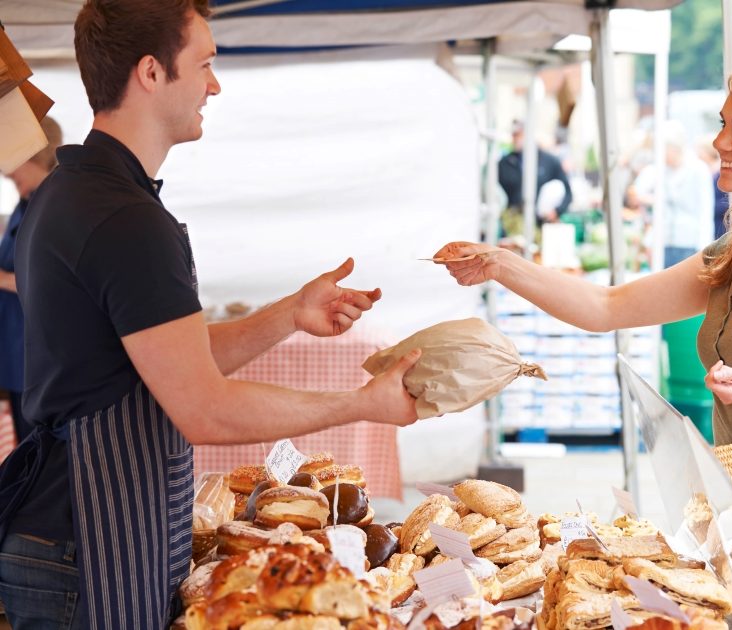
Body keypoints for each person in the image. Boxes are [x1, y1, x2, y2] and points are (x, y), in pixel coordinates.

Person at [0, 1, 421, 628]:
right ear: (150, 72)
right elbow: (204, 406)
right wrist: (361, 403)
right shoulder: (123, 218)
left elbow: (168, 361)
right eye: (204, 64)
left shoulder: (76, 190)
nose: (214, 84)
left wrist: (289, 314)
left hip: (78, 531)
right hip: (86, 541)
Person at [436, 61, 732, 445]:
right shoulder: (731, 254)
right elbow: (606, 307)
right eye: (723, 123)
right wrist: (498, 263)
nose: (720, 143)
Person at [0, 117, 62, 444]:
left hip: (35, 362)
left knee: (39, 453)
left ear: (29, 154)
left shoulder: (54, 204)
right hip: (14, 357)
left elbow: (51, 283)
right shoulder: (24, 204)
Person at [632, 121, 715, 267]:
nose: (660, 154)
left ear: (674, 148)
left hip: (689, 243)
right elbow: (638, 191)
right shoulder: (657, 170)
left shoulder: (698, 169)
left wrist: (704, 248)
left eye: (663, 149)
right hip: (662, 242)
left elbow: (705, 211)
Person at [498, 120, 572, 225]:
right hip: (513, 223)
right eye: (513, 135)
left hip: (541, 224)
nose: (515, 139)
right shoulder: (505, 163)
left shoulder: (550, 161)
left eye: (519, 135)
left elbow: (567, 192)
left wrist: (556, 211)